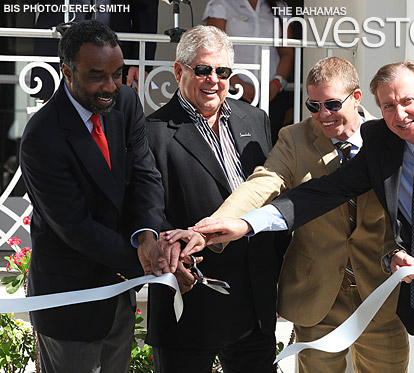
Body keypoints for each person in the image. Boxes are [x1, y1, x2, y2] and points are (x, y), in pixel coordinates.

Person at [194, 60, 414, 372]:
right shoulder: (382, 143)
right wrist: (245, 223)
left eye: (407, 101)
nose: (400, 114)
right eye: (388, 107)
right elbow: (322, 192)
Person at [189, 56, 409, 372]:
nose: (323, 114)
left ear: (356, 98)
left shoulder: (388, 135)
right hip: (317, 295)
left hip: (381, 293)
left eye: (332, 104)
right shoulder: (294, 138)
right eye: (314, 105)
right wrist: (221, 222)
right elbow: (265, 181)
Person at [18, 19, 189, 372]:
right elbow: (75, 226)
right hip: (69, 301)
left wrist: (146, 234)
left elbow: (145, 177)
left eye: (117, 73)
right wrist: (152, 263)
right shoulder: (42, 136)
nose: (111, 86)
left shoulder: (125, 103)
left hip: (119, 296)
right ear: (67, 71)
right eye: (97, 75)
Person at [144, 25, 280, 372]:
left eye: (222, 72)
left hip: (253, 301)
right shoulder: (152, 132)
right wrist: (171, 260)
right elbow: (147, 205)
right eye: (203, 70)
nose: (214, 80)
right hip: (191, 295)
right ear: (179, 71)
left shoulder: (256, 118)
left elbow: (274, 191)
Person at [20, 0, 159, 99]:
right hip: (55, 50)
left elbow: (146, 7)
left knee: (111, 132)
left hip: (115, 51)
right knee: (52, 132)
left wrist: (142, 60)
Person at [204, 0, 294, 144]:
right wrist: (237, 82)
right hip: (232, 92)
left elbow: (287, 52)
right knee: (234, 145)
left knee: (269, 147)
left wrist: (276, 84)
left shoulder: (279, 7)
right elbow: (213, 50)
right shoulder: (221, 4)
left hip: (272, 95)